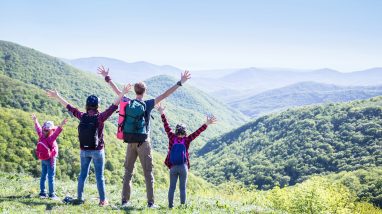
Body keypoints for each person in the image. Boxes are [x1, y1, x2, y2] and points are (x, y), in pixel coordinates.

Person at [97, 65, 191, 208]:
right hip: (144, 143)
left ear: (135, 91)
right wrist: (180, 82)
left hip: (130, 141)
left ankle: (124, 201)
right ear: (145, 91)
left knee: (128, 171)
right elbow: (165, 94)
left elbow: (117, 91)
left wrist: (107, 77)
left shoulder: (128, 101)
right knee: (148, 173)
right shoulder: (147, 104)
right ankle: (150, 202)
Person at [47, 84, 131, 206]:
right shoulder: (100, 117)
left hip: (84, 150)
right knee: (99, 177)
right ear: (97, 106)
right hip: (98, 151)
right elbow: (114, 106)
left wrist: (57, 96)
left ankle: (79, 197)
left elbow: (70, 108)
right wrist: (122, 93)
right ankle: (103, 200)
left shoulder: (82, 116)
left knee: (82, 175)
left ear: (87, 106)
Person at [156, 103, 217, 208]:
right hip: (183, 166)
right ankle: (183, 207)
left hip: (173, 166)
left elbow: (166, 125)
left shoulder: (171, 137)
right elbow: (197, 132)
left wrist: (162, 113)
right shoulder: (187, 139)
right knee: (182, 188)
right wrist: (206, 123)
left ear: (176, 131)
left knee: (172, 188)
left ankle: (170, 206)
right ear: (185, 132)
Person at [32, 114, 67, 200]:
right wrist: (61, 125)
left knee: (43, 176)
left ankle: (42, 193)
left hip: (43, 158)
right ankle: (52, 194)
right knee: (51, 177)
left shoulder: (41, 135)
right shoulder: (51, 138)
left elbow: (38, 128)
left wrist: (35, 120)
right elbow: (57, 132)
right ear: (51, 130)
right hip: (50, 159)